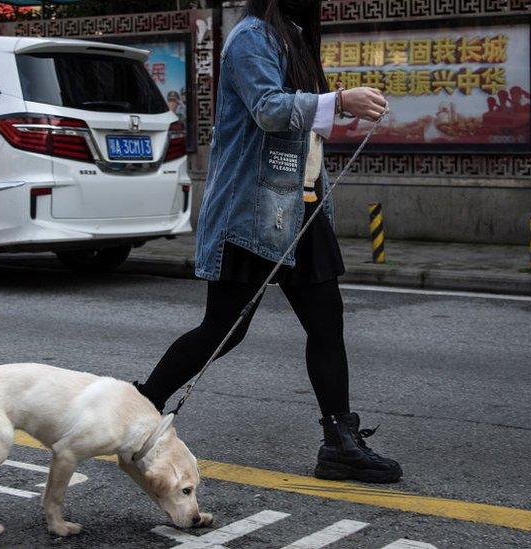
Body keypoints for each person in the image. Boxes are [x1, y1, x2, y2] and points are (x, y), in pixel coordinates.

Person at [134, 0, 403, 483]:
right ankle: (139, 407)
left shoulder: (293, 35)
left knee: (327, 323)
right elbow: (268, 109)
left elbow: (305, 125)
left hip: (302, 208)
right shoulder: (252, 37)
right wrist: (341, 100)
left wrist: (340, 105)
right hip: (254, 212)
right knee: (224, 328)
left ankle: (339, 441)